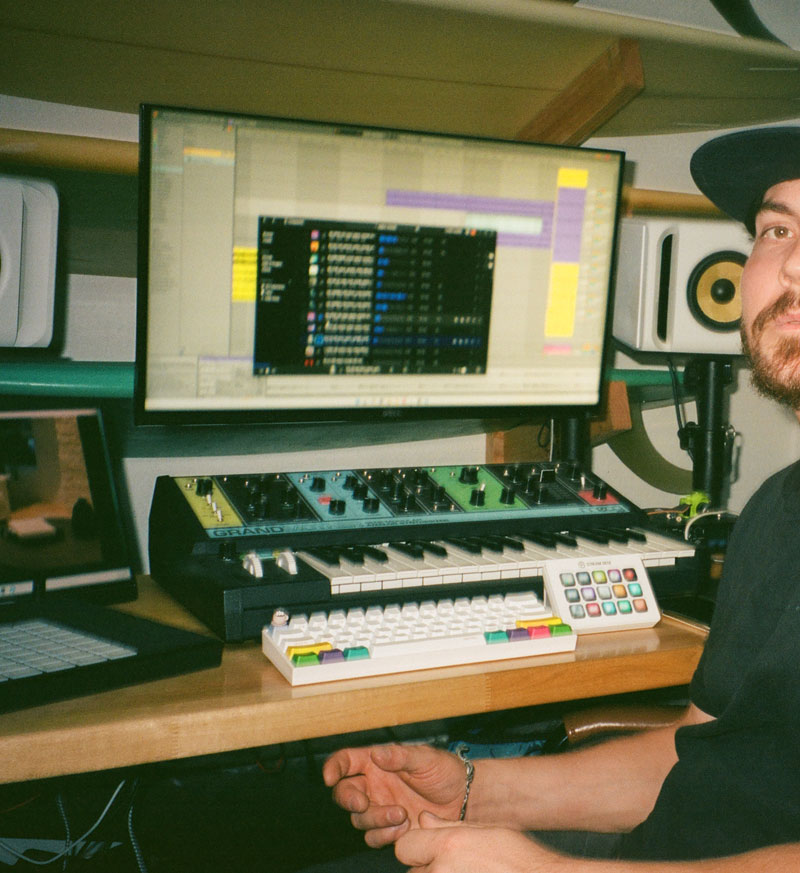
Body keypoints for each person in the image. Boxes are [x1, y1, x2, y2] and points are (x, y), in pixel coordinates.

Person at [318, 126, 800, 871]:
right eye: (777, 228)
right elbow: (701, 757)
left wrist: (551, 871)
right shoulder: (779, 509)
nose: (793, 262)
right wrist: (474, 791)